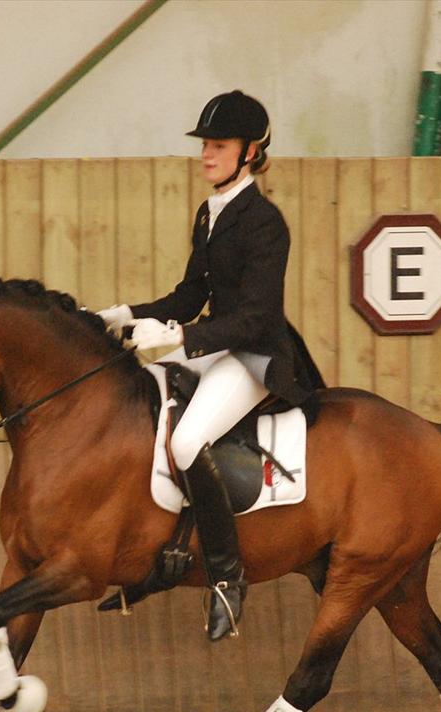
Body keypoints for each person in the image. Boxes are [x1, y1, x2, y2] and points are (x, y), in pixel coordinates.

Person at [99, 89, 324, 641]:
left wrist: (177, 336)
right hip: (215, 343)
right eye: (204, 145)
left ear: (249, 153)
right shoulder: (209, 212)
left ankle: (227, 576)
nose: (206, 154)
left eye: (217, 146)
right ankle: (159, 550)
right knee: (138, 400)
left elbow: (253, 317)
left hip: (254, 355)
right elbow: (187, 295)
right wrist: (121, 316)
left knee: (183, 442)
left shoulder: (265, 222)